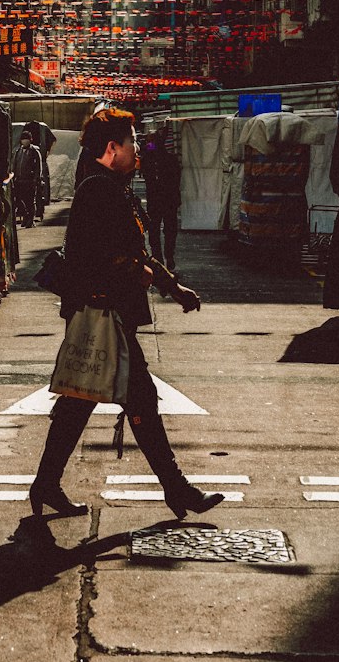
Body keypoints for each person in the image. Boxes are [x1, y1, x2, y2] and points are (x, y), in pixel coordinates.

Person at [29, 107, 224, 521]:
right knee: (140, 399)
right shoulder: (98, 190)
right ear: (112, 148)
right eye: (132, 141)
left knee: (79, 402)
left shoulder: (114, 186)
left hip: (109, 313)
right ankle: (177, 489)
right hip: (104, 314)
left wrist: (171, 284)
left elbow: (137, 251)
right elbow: (99, 256)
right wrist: (144, 274)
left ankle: (45, 484)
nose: (138, 148)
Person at [140, 123, 181, 273]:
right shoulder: (170, 158)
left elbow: (145, 156)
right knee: (169, 229)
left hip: (156, 198)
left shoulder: (150, 156)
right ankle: (168, 256)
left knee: (155, 229)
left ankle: (159, 258)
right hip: (169, 198)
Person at [12, 130, 43, 229]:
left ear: (30, 140)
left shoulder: (34, 151)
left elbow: (39, 166)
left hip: (30, 180)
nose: (24, 141)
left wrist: (36, 178)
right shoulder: (18, 151)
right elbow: (14, 165)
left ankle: (30, 219)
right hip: (19, 180)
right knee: (19, 200)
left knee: (30, 201)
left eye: (27, 139)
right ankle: (25, 216)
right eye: (23, 139)